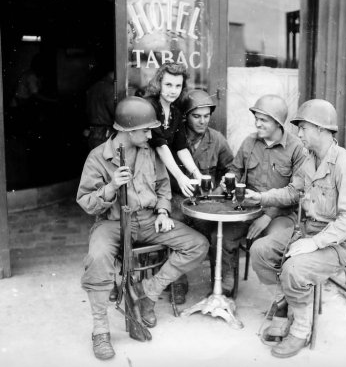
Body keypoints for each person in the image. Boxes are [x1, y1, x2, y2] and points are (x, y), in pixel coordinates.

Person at [77, 96, 209, 360]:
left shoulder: (150, 151)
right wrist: (112, 186)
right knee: (97, 258)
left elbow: (162, 186)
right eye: (146, 129)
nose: (151, 134)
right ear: (127, 130)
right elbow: (86, 202)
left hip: (148, 220)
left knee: (198, 244)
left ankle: (147, 293)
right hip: (113, 223)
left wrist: (162, 210)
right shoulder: (98, 157)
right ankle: (100, 329)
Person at [244, 99, 346, 358]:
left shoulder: (345, 165)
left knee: (293, 268)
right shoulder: (310, 160)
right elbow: (292, 191)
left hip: (338, 243)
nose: (298, 134)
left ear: (321, 129)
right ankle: (285, 303)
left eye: (303, 128)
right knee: (260, 250)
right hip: (308, 231)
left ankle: (301, 328)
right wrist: (262, 198)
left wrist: (315, 242)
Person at [219, 94, 307, 297]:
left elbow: (296, 194)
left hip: (281, 215)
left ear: (277, 123)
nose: (257, 123)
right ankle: (226, 285)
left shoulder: (296, 149)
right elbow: (235, 172)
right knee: (222, 236)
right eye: (256, 118)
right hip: (248, 210)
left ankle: (283, 298)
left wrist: (268, 215)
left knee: (271, 245)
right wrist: (228, 182)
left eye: (263, 120)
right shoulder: (249, 142)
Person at [169, 89, 234, 303]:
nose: (203, 121)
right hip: (179, 199)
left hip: (208, 202)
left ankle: (224, 279)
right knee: (175, 224)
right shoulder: (175, 140)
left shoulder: (217, 140)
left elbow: (231, 169)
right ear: (186, 116)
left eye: (207, 116)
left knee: (219, 231)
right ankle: (177, 281)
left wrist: (223, 186)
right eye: (197, 116)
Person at [142, 62, 203, 197]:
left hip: (162, 170)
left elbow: (181, 147)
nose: (173, 90)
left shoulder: (175, 111)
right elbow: (160, 146)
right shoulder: (150, 106)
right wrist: (180, 177)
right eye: (168, 85)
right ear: (159, 84)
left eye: (178, 86)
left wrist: (197, 173)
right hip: (143, 170)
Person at [85, 68, 115, 150]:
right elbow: (116, 112)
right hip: (104, 135)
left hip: (92, 134)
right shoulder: (109, 89)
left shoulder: (92, 88)